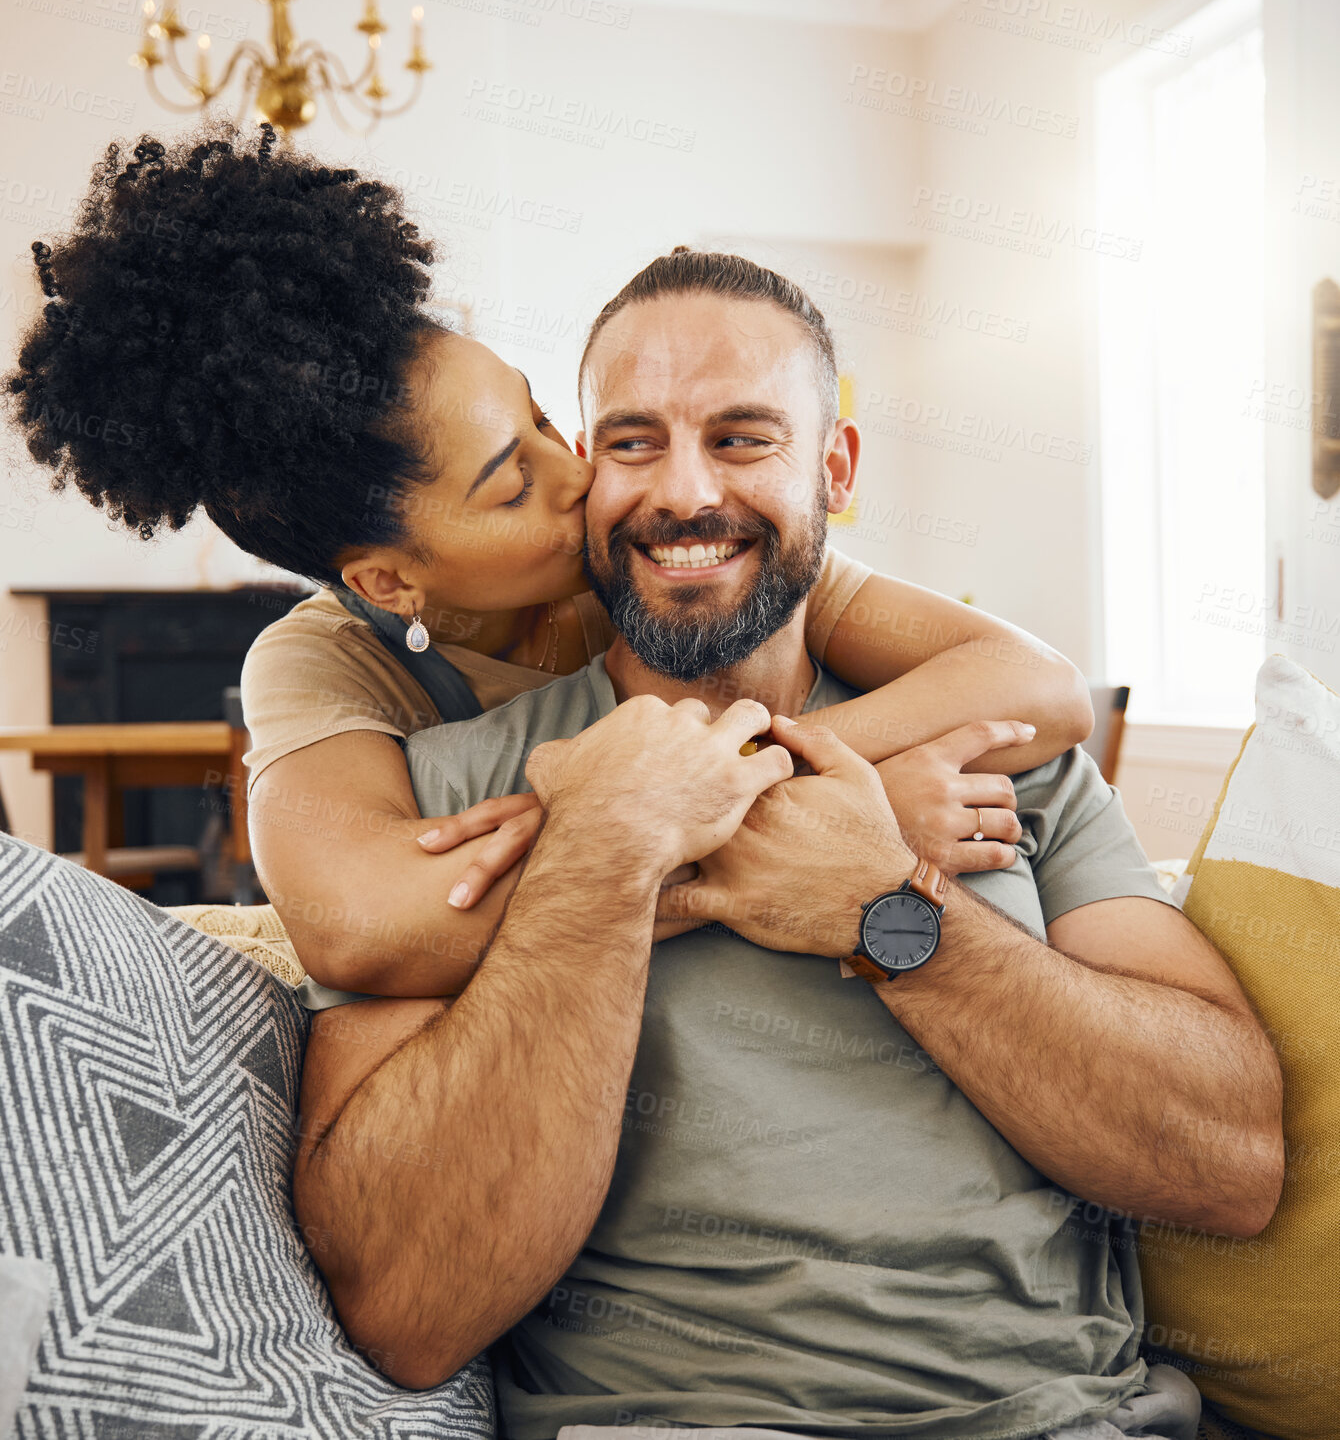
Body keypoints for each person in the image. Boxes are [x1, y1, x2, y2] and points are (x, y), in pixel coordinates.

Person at [293, 251, 1284, 1440]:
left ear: (835, 469)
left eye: (744, 437)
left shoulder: (999, 756)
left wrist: (885, 913)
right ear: (586, 470)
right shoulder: (450, 803)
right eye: (632, 440)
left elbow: (1228, 1165)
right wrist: (602, 857)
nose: (682, 491)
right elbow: (407, 1305)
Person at [4, 124, 1093, 1004]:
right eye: (510, 482)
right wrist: (752, 840)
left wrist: (763, 792)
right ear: (388, 582)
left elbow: (1036, 691)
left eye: (536, 418)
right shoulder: (326, 665)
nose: (581, 474)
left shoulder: (660, 559)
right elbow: (363, 930)